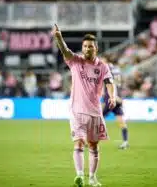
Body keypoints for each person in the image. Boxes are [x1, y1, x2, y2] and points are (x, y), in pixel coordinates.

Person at [53, 24, 116, 187]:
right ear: (82, 48)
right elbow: (65, 50)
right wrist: (59, 38)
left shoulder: (102, 66)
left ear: (96, 48)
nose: (87, 49)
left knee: (93, 146)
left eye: (91, 46)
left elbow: (110, 82)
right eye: (85, 46)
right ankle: (80, 175)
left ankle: (92, 177)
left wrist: (112, 95)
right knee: (79, 142)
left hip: (95, 112)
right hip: (77, 112)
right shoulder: (75, 61)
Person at [102, 57, 129, 149]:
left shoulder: (107, 69)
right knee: (121, 120)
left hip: (111, 98)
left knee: (98, 118)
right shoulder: (117, 70)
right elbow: (119, 84)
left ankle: (90, 140)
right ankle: (125, 141)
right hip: (118, 98)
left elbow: (112, 84)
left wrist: (114, 97)